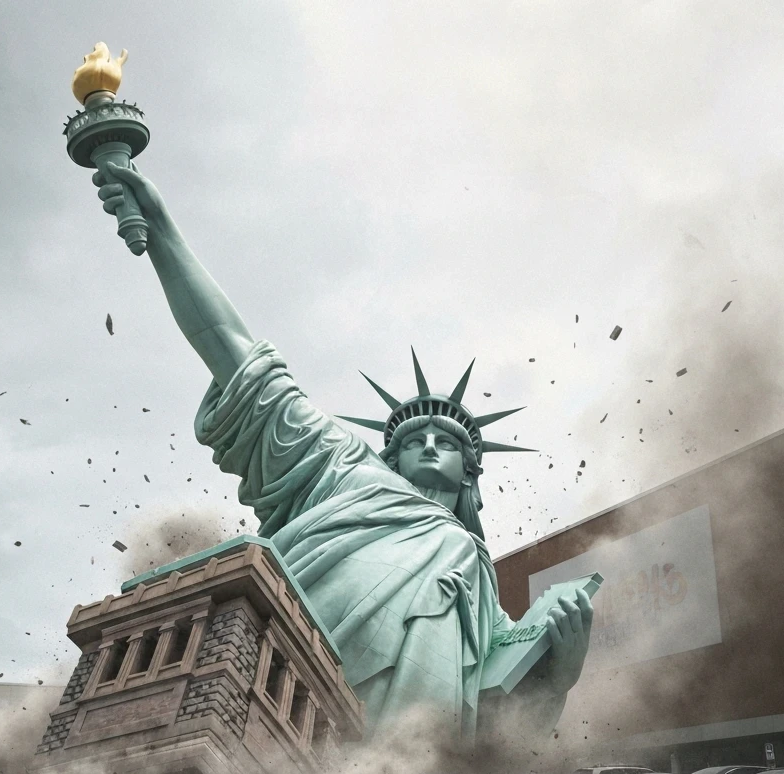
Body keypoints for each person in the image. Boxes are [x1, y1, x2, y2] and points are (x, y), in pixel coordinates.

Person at [90, 164, 593, 744]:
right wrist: (164, 234)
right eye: (412, 441)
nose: (429, 447)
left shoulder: (478, 582)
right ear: (390, 457)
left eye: (447, 442)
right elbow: (236, 354)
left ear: (471, 473)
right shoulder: (345, 470)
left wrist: (559, 677)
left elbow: (495, 729)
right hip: (286, 716)